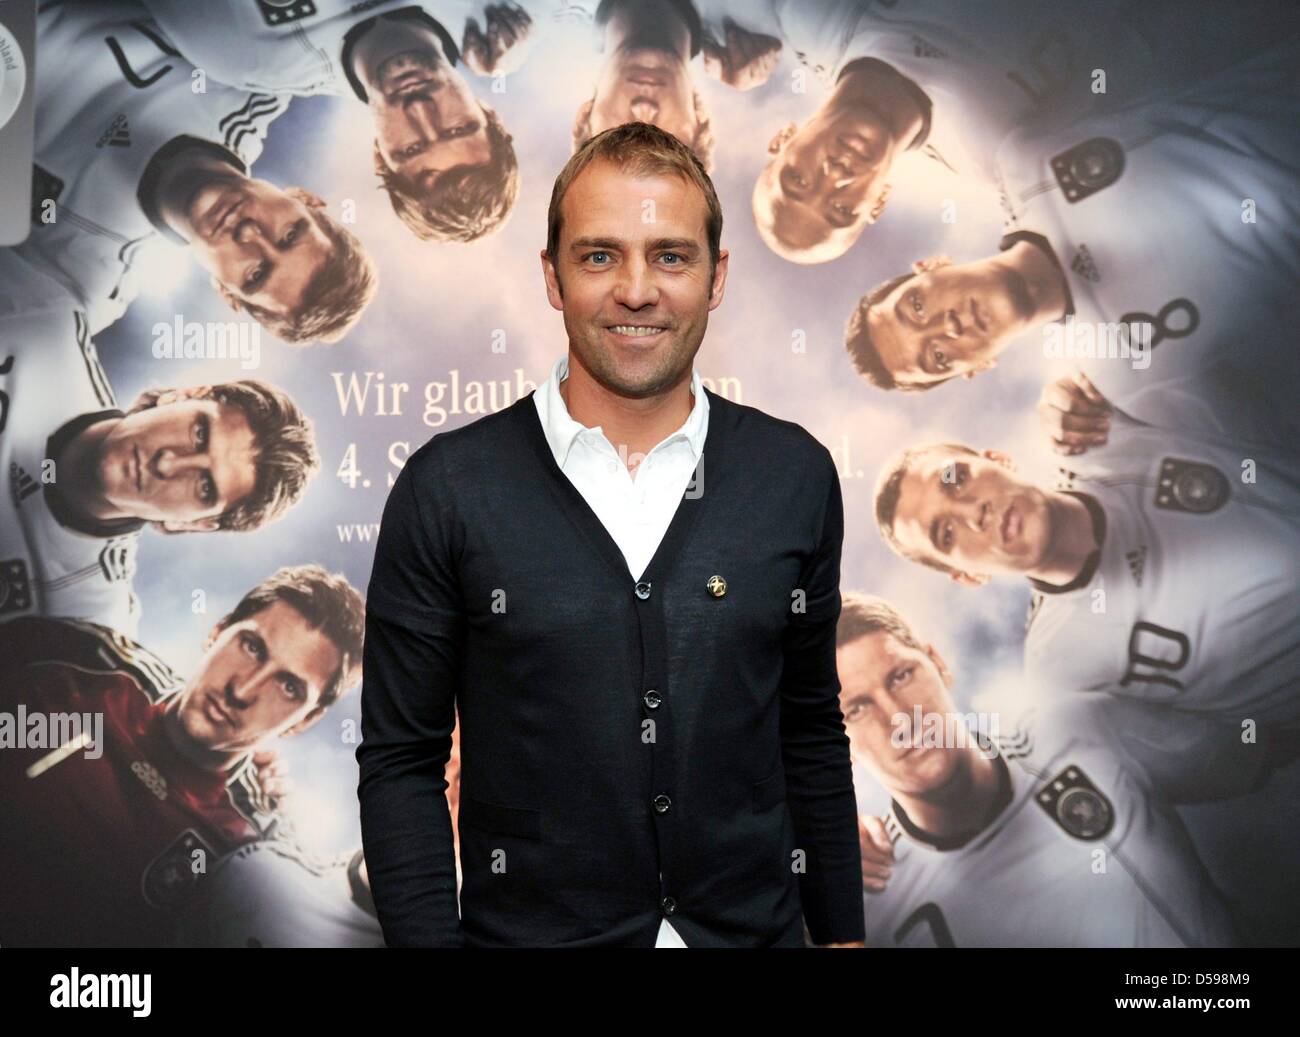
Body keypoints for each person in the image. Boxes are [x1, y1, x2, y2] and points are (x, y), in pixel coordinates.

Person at [358, 122, 863, 948]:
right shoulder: (447, 488)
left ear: (716, 275)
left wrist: (842, 934)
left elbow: (807, 729)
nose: (637, 290)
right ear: (553, 277)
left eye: (670, 255)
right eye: (599, 256)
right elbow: (402, 765)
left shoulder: (794, 474)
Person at [842, 33, 1300, 453]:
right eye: (938, 357)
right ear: (974, 370)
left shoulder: (1026, 152)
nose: (948, 328)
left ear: (932, 264)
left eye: (917, 308)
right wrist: (1115, 437)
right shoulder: (1119, 384)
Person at [755, 0, 1299, 264]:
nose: (834, 178)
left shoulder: (812, 16)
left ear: (782, 140)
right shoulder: (1004, 155)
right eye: (841, 210)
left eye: (798, 181)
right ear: (877, 205)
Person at [835, 593, 1237, 947]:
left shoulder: (1079, 730)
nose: (900, 718)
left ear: (938, 663)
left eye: (901, 676)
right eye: (857, 708)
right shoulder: (867, 902)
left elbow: (1253, 752)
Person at [0, 564, 366, 946]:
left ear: (303, 721)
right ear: (218, 630)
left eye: (288, 686)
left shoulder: (251, 852)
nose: (243, 689)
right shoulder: (75, 656)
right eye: (252, 647)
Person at [871, 418, 1300, 728]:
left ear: (999, 458)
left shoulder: (1116, 431)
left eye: (955, 478)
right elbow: (1230, 760)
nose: (972, 511)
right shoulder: (1062, 673)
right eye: (946, 533)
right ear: (967, 577)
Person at [9, 1, 376, 344]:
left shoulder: (85, 282)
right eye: (290, 233)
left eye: (256, 274)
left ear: (226, 293)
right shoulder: (256, 77)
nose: (251, 234)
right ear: (304, 199)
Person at [0, 254, 320, 634]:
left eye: (204, 485)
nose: (168, 463)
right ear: (182, 395)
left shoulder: (87, 622)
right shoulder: (43, 319)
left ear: (198, 523)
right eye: (199, 433)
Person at [142, 0, 524, 243]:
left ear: (381, 159)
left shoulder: (249, 54)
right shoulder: (503, 11)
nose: (420, 109)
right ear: (490, 114)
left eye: (412, 148)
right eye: (458, 128)